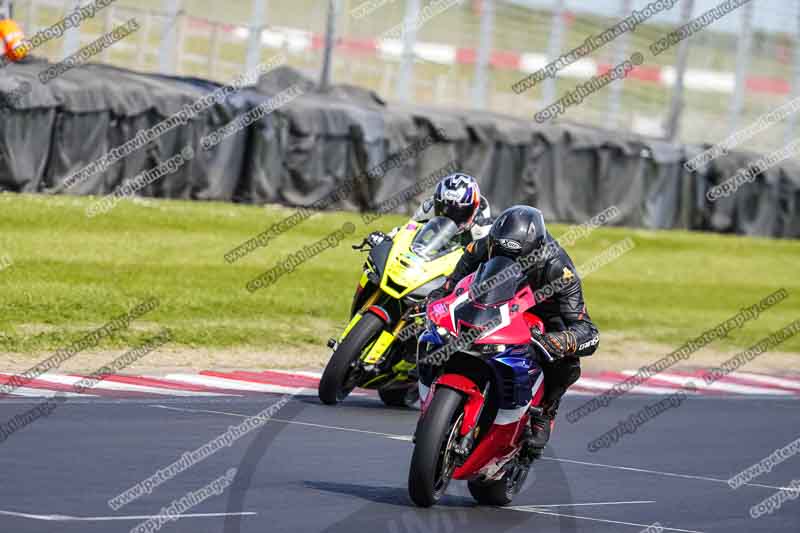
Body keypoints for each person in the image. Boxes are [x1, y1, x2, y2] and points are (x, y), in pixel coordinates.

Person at [428, 205, 600, 458]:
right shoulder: (488, 243)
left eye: (515, 257)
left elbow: (588, 330)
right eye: (498, 252)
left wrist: (562, 340)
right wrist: (446, 290)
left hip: (542, 313)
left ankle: (544, 412)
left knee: (566, 361)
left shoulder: (559, 269)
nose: (504, 258)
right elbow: (463, 269)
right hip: (494, 302)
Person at [364, 173, 492, 250]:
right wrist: (387, 239)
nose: (452, 217)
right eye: (446, 209)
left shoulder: (482, 225)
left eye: (460, 212)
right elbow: (409, 229)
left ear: (474, 209)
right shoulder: (430, 206)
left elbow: (484, 260)